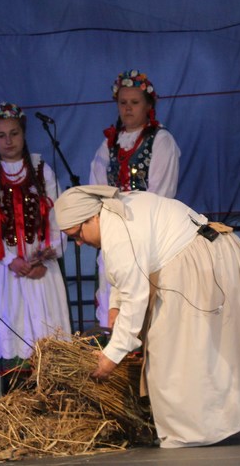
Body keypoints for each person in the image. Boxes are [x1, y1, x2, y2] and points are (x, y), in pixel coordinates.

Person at [54, 185, 240, 448]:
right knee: (189, 350)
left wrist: (112, 355)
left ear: (92, 217)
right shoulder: (117, 212)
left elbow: (135, 295)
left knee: (171, 352)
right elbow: (130, 270)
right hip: (207, 252)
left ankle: (194, 430)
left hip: (200, 262)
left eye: (77, 234)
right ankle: (204, 424)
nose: (79, 243)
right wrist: (115, 306)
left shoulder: (118, 230)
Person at [0, 102, 70, 398]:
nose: (8, 141)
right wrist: (11, 260)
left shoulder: (42, 171)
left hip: (40, 269)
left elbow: (58, 218)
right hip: (2, 271)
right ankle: (4, 406)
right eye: (1, 135)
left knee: (43, 335)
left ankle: (46, 404)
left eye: (14, 133)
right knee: (7, 331)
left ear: (23, 134)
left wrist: (44, 257)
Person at [88, 70, 180, 328]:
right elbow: (96, 189)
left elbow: (161, 194)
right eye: (123, 103)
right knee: (114, 304)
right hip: (115, 236)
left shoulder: (161, 141)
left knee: (148, 307)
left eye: (135, 102)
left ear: (148, 105)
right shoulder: (109, 144)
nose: (128, 108)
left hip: (148, 238)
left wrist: (134, 227)